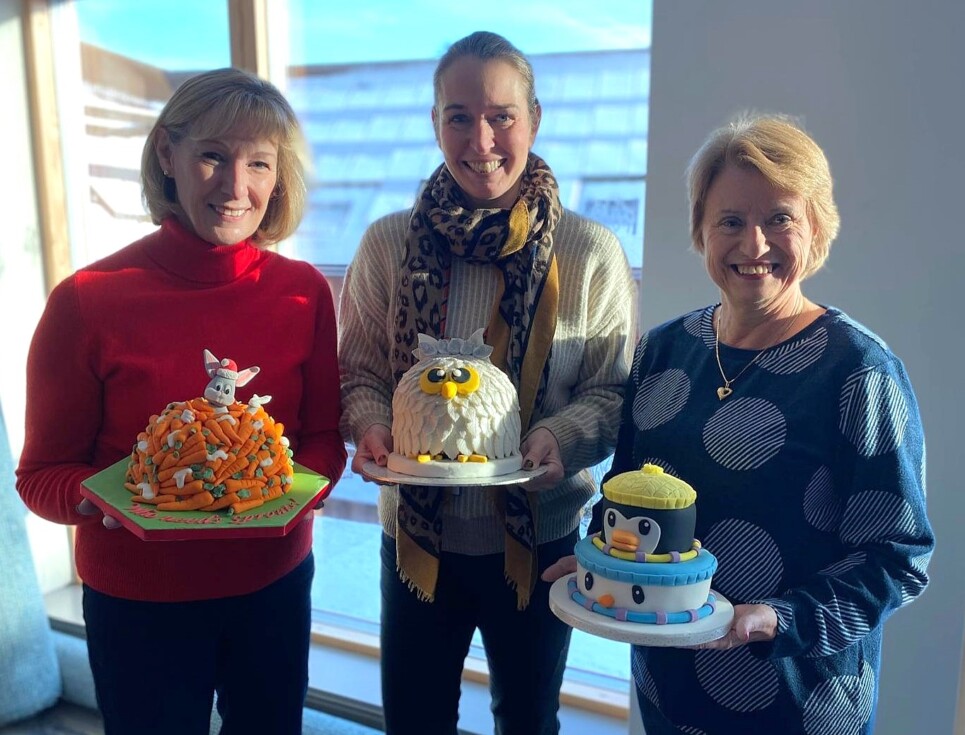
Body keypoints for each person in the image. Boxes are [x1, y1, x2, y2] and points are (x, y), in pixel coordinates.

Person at [543, 113, 935, 734]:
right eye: (730, 221)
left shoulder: (859, 371)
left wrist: (782, 619)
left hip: (796, 700)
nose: (753, 245)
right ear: (701, 230)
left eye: (780, 218)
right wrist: (599, 564)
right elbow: (626, 495)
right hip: (670, 690)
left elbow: (898, 558)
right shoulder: (664, 350)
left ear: (816, 229)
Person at [16, 68, 346, 735]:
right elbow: (41, 475)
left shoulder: (305, 292)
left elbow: (318, 441)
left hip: (272, 588)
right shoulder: (87, 300)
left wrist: (290, 494)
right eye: (211, 156)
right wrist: (105, 498)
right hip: (141, 599)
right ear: (167, 154)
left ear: (279, 177)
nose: (235, 186)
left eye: (258, 163)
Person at [338, 31, 635, 735]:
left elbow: (610, 390)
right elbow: (360, 372)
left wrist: (557, 437)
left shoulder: (589, 251)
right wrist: (373, 425)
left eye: (501, 115)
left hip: (541, 537)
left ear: (533, 118)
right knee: (413, 717)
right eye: (458, 116)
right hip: (416, 539)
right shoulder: (386, 242)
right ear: (434, 122)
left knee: (527, 718)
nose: (481, 139)